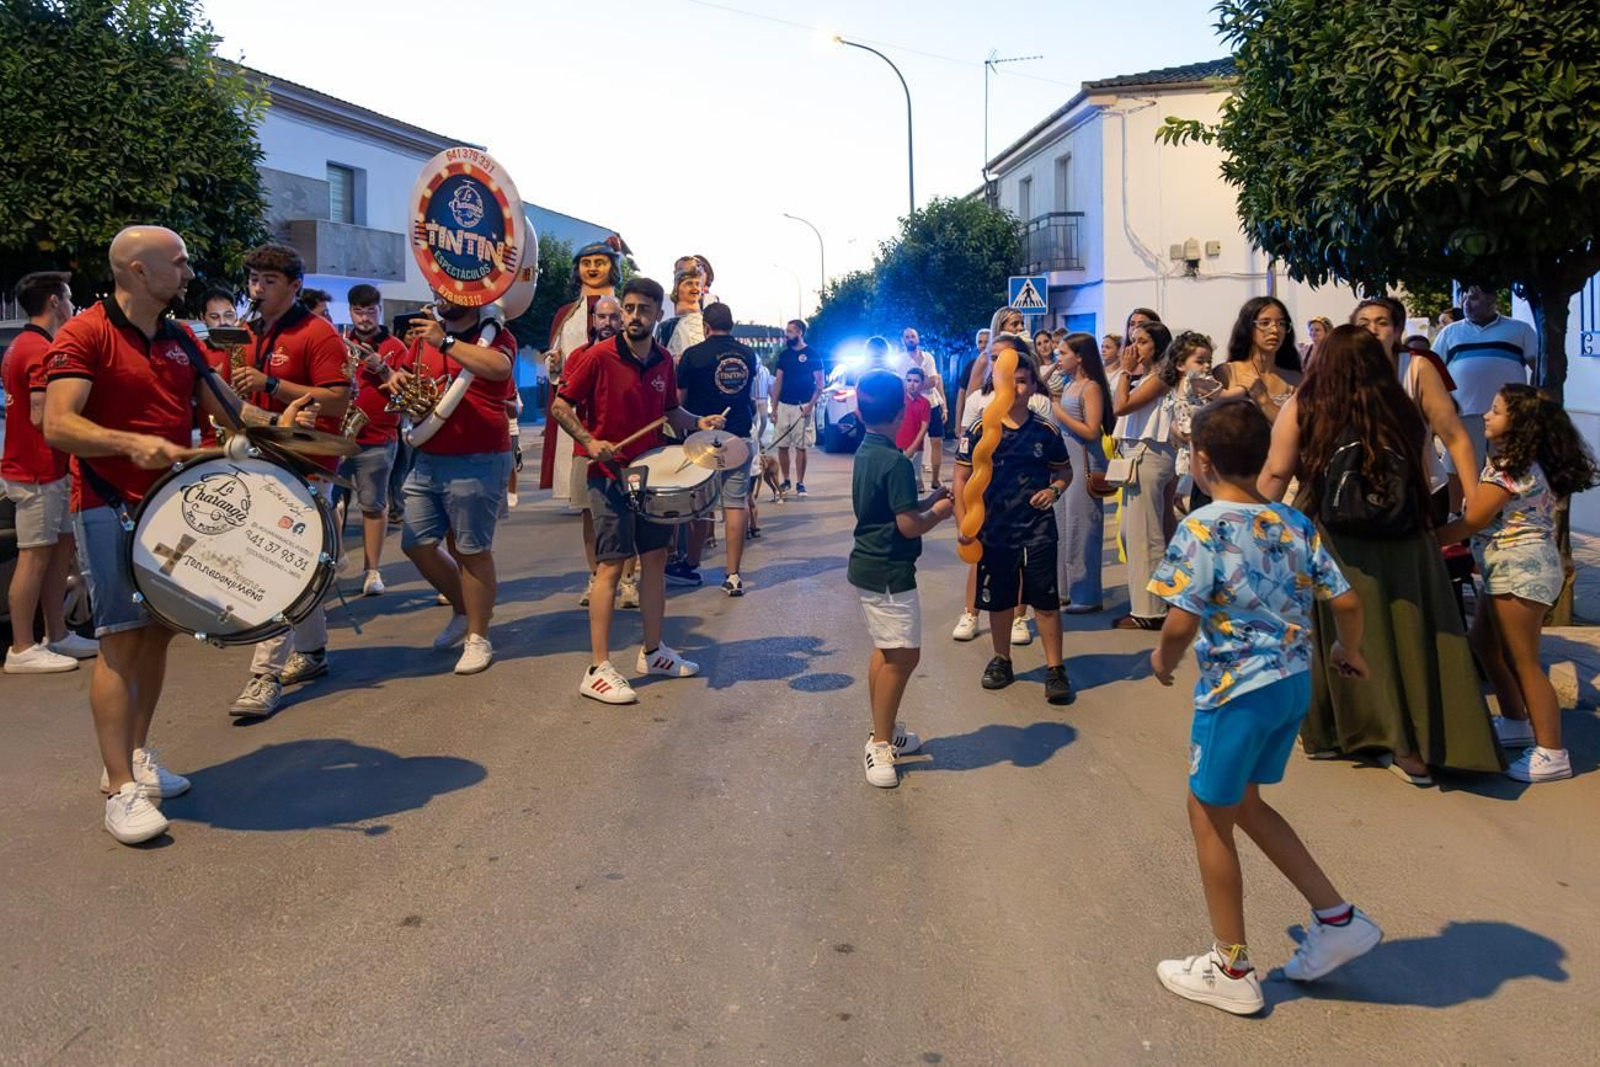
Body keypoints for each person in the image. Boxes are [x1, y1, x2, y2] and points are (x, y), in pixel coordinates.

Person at [43, 224, 319, 844]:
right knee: (119, 641)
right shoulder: (85, 333)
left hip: (171, 508)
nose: (190, 272)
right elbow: (58, 424)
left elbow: (227, 408)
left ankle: (138, 757)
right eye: (180, 262)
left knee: (160, 636)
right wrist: (127, 443)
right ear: (138, 270)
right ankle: (117, 788)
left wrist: (285, 423)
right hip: (107, 506)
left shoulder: (177, 337)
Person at [1149, 396, 1381, 1016]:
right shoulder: (1292, 522)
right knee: (1246, 803)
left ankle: (1231, 965)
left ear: (1199, 461)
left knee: (1208, 814)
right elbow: (1347, 602)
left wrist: (1164, 662)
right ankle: (1336, 918)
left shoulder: (1202, 526)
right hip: (1292, 685)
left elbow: (1180, 618)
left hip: (1236, 693)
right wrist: (1347, 652)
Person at [1260, 325, 1501, 782]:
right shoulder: (1402, 411)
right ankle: (1425, 743)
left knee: (1346, 633)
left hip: (1336, 537)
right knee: (1412, 636)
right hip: (1407, 535)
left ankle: (1340, 734)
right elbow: (1430, 471)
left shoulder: (1308, 406)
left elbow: (1276, 471)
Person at [550, 277, 727, 705]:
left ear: (657, 315)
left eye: (642, 309)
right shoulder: (597, 357)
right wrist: (590, 442)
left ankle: (653, 652)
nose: (632, 316)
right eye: (627, 308)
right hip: (610, 474)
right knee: (610, 567)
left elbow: (670, 412)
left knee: (654, 560)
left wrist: (696, 422)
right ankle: (597, 668)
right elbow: (560, 405)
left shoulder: (664, 360)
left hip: (652, 476)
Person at [1436, 385, 1599, 783]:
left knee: (1525, 662)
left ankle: (1552, 752)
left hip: (1520, 569)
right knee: (1485, 645)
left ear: (1520, 425)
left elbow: (1473, 519)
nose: (1487, 416)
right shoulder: (1515, 463)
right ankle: (1515, 721)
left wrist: (1428, 540)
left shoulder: (1510, 468)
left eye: (1495, 411)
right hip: (1507, 568)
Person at [227, 243, 351, 718]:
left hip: (306, 461)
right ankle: (314, 652)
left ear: (295, 286)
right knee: (297, 564)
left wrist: (271, 385)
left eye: (269, 282)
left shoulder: (317, 333)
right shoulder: (242, 332)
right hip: (256, 456)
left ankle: (263, 674)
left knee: (274, 565)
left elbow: (338, 400)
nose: (256, 290)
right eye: (253, 280)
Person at [389, 294, 518, 676]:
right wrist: (396, 381)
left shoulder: (495, 334)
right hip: (427, 455)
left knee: (472, 551)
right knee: (416, 543)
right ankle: (464, 610)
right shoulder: (421, 337)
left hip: (478, 455)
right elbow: (407, 378)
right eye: (439, 290)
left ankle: (479, 636)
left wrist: (444, 341)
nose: (442, 298)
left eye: (452, 291)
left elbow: (498, 369)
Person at [954, 337, 1075, 705]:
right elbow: (960, 479)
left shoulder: (1045, 430)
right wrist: (964, 525)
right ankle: (1001, 659)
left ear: (1034, 385)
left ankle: (1055, 669)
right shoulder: (979, 429)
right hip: (994, 531)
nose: (1017, 388)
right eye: (1011, 379)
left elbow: (1064, 472)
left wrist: (1054, 491)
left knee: (1046, 603)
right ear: (996, 381)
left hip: (1038, 529)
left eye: (1025, 380)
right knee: (999, 601)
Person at [849, 370, 955, 787]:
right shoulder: (895, 461)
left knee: (887, 649)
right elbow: (909, 525)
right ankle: (878, 743)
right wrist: (939, 514)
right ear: (901, 413)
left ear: (858, 411)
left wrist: (925, 499)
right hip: (890, 568)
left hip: (869, 565)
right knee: (903, 656)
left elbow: (890, 508)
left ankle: (884, 726)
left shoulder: (867, 451)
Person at [3, 271, 96, 673]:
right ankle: (22, 648)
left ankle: (56, 634)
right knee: (35, 557)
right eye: (70, 297)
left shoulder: (28, 344)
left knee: (59, 552)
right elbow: (42, 416)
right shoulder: (38, 349)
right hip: (36, 472)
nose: (72, 304)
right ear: (56, 302)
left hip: (49, 470)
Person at [1351, 296, 1473, 523]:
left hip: (1422, 491)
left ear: (1397, 331)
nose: (1372, 330)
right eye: (1363, 324)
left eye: (1382, 322)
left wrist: (1473, 500)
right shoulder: (1340, 372)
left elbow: (1455, 438)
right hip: (1360, 494)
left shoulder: (1417, 368)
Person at [672, 301, 758, 596]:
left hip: (701, 439)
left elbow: (678, 399)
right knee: (736, 504)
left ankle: (692, 565)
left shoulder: (693, 355)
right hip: (739, 436)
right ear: (731, 324)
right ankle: (733, 575)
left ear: (706, 326)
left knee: (698, 504)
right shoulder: (749, 354)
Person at [541, 238, 624, 505]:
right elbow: (556, 351)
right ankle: (576, 491)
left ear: (612, 267)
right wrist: (553, 363)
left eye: (600, 263)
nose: (592, 269)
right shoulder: (567, 313)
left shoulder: (624, 309)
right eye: (586, 263)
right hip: (576, 396)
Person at [565, 296, 635, 609]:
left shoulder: (635, 353)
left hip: (628, 450)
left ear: (621, 319)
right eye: (601, 317)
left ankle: (628, 581)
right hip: (588, 449)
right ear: (593, 320)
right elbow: (563, 401)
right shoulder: (581, 356)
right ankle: (596, 575)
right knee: (589, 516)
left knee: (631, 516)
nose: (607, 323)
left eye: (613, 317)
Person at [338, 283, 407, 597]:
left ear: (380, 310)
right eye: (358, 311)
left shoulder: (396, 347)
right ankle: (334, 562)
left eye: (370, 310)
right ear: (350, 311)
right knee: (331, 504)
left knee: (373, 505)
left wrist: (382, 368)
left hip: (378, 437)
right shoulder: (338, 342)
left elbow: (405, 394)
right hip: (337, 436)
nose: (364, 317)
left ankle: (372, 570)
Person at [1109, 320, 1177, 630]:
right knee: (1132, 532)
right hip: (1139, 454)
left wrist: (1124, 370)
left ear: (1160, 347)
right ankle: (1153, 602)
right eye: (1133, 340)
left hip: (1150, 455)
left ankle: (1149, 611)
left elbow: (1121, 407)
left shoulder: (1162, 375)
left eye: (1143, 342)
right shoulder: (1149, 375)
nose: (1135, 348)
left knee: (1144, 535)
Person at [1433, 282, 1538, 465]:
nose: (1466, 303)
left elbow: (1539, 368)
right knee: (1460, 470)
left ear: (1492, 299)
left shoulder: (1520, 329)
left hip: (1508, 416)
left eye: (1473, 298)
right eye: (1464, 298)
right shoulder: (1450, 332)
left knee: (1509, 471)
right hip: (1463, 415)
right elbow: (1433, 370)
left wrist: (1531, 404)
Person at [1051, 333, 1113, 614]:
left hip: (1085, 463)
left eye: (1063, 353)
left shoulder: (1090, 387)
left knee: (1082, 528)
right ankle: (1066, 590)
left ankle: (1087, 594)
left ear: (1079, 356)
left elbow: (1091, 429)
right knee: (1064, 527)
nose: (1058, 358)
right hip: (1068, 462)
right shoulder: (1067, 385)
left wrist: (1058, 412)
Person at [1214, 296, 1302, 424]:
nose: (1275, 330)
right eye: (1265, 323)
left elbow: (1301, 429)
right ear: (1248, 328)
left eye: (1281, 324)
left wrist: (1264, 400)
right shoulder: (1227, 372)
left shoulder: (1295, 379)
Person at [771, 318, 822, 496]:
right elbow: (778, 382)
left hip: (803, 406)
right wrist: (774, 408)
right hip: (785, 405)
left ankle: (801, 483)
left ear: (800, 332)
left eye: (790, 331)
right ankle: (786, 480)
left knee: (801, 447)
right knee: (782, 445)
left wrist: (810, 406)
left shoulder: (812, 354)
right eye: (787, 331)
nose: (787, 335)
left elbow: (820, 384)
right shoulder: (784, 355)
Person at [902, 327, 947, 487]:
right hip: (913, 406)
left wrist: (945, 406)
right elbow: (904, 385)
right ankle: (917, 479)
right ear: (903, 340)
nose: (910, 339)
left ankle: (935, 478)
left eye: (913, 336)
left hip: (933, 404)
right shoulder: (900, 360)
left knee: (937, 441)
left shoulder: (928, 357)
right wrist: (924, 383)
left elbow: (935, 381)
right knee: (915, 443)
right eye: (907, 337)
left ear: (918, 338)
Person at [659, 255, 709, 358]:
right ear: (677, 288)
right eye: (689, 284)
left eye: (697, 284)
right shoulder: (666, 327)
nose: (695, 287)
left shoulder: (707, 324)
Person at [896, 367, 932, 488]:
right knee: (898, 477)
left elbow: (924, 426)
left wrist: (913, 447)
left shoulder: (925, 403)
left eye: (916, 381)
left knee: (915, 477)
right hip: (897, 445)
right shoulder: (899, 400)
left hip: (916, 446)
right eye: (909, 380)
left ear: (922, 384)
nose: (911, 384)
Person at [953, 328, 990, 441]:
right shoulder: (971, 365)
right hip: (972, 416)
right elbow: (961, 394)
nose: (983, 345)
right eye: (980, 342)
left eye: (986, 341)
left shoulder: (998, 365)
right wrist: (958, 423)